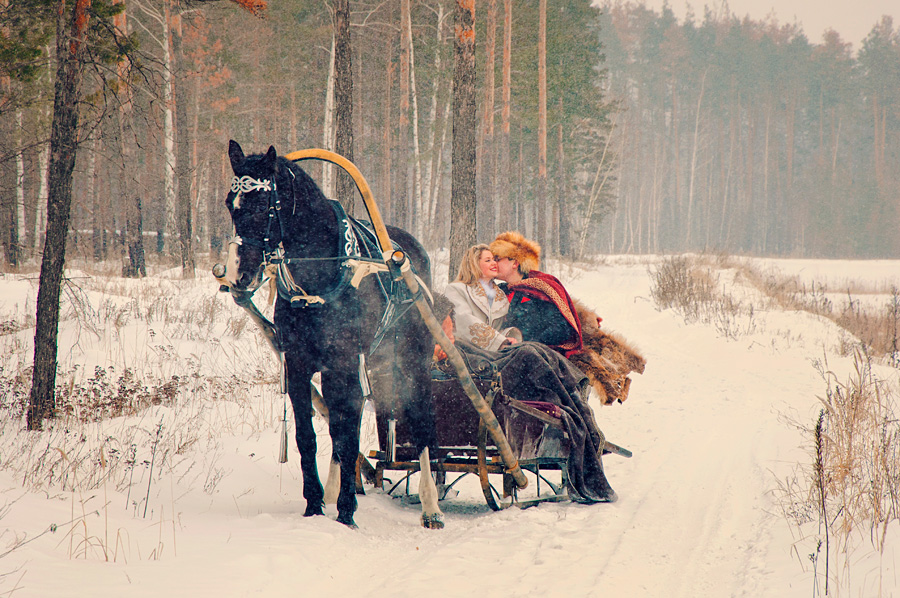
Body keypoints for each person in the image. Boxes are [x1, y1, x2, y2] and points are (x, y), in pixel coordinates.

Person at [430, 292, 618, 504]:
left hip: (485, 367)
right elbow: (476, 365)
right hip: (487, 377)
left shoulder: (445, 341)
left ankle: (573, 398)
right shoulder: (430, 352)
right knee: (529, 353)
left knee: (534, 350)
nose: (450, 336)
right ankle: (573, 399)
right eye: (446, 332)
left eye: (450, 331)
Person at [490, 231, 583, 357]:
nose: (493, 264)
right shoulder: (499, 290)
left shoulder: (538, 289)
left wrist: (529, 343)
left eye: (498, 259)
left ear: (515, 263)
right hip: (504, 354)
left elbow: (562, 329)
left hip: (536, 357)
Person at [443, 244, 521, 352]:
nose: (494, 263)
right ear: (474, 264)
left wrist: (509, 337)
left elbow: (502, 327)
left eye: (494, 259)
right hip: (465, 351)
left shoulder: (502, 295)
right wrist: (499, 342)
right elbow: (464, 321)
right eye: (488, 260)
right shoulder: (456, 289)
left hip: (495, 353)